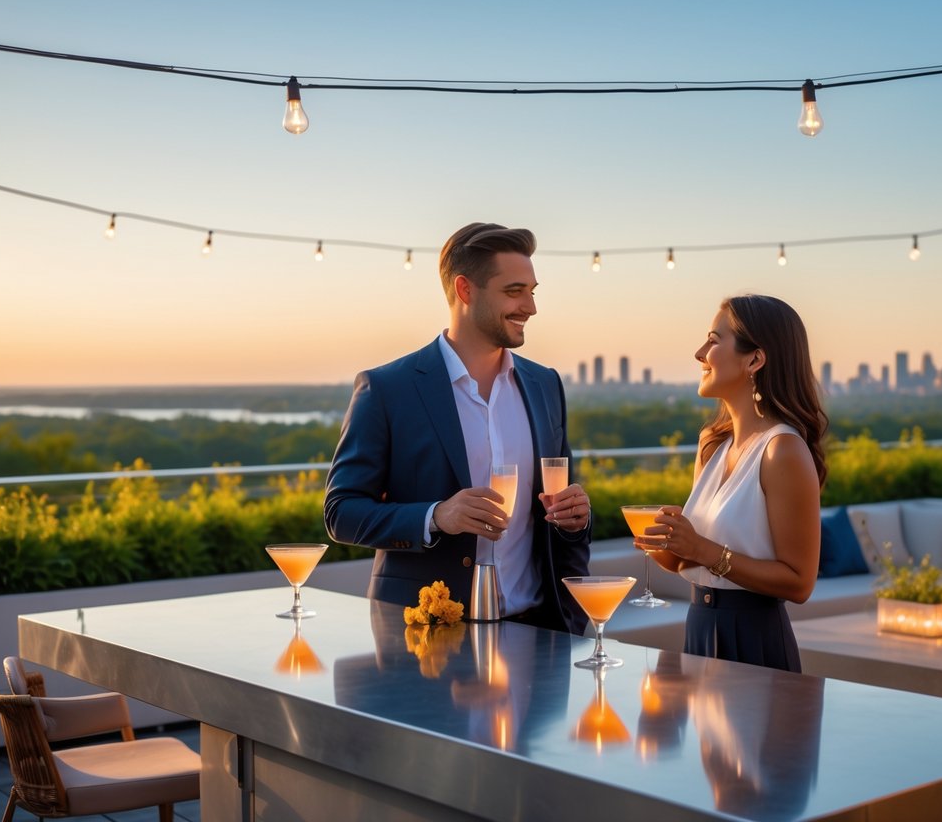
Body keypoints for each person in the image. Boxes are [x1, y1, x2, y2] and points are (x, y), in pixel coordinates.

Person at [325, 222, 592, 634]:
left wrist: (574, 520)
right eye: (514, 291)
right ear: (465, 290)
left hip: (540, 632)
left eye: (532, 292)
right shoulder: (387, 389)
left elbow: (559, 516)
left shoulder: (545, 385)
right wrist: (436, 516)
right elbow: (341, 512)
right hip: (424, 637)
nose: (530, 307)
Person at [638, 295, 827, 670]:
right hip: (699, 628)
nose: (699, 353)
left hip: (754, 640)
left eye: (713, 340)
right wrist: (667, 543)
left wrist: (702, 548)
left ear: (754, 360)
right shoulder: (712, 445)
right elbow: (691, 562)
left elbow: (799, 583)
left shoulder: (781, 450)